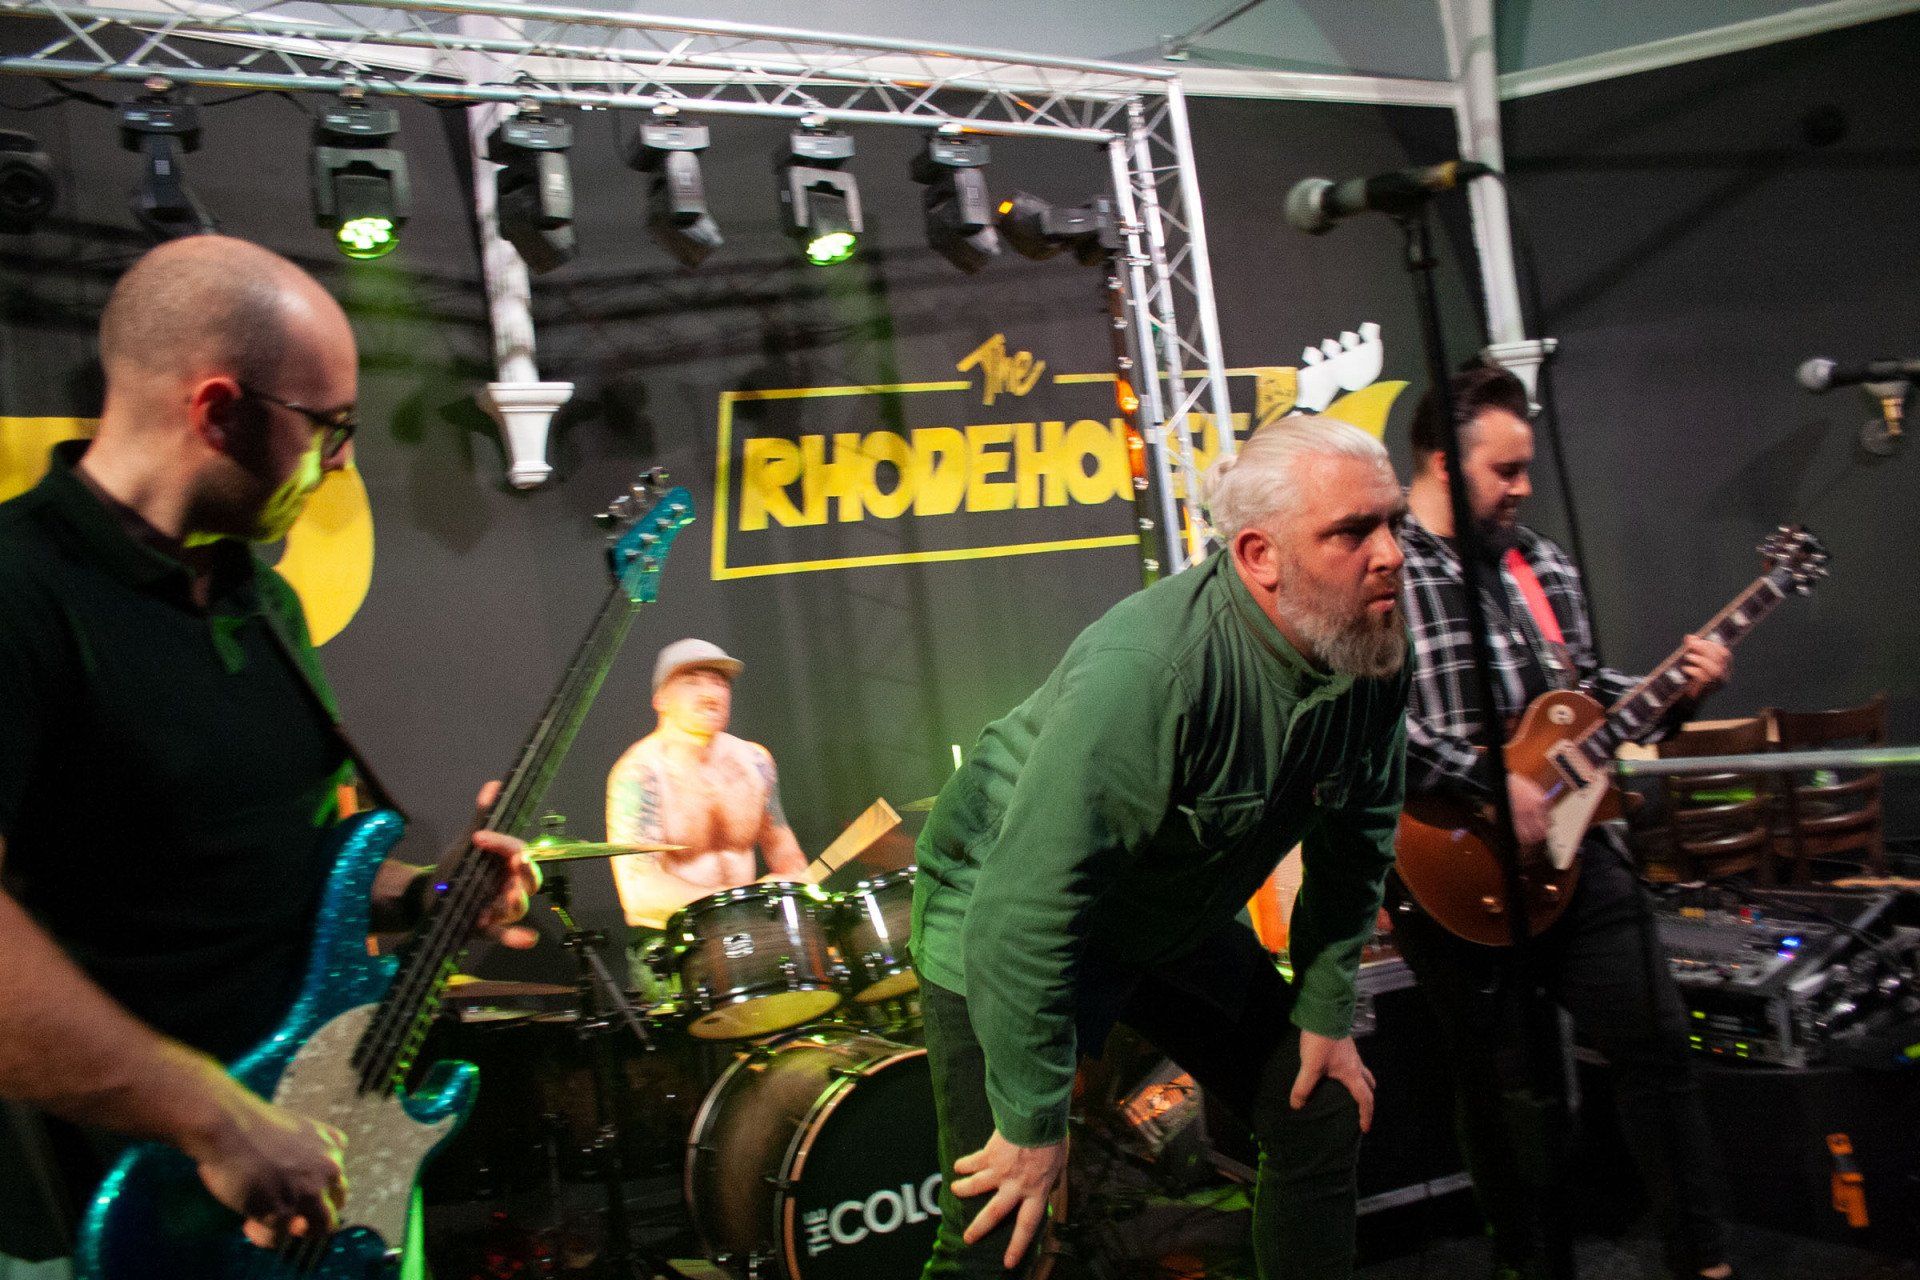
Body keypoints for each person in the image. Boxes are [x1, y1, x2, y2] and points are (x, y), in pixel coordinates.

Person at [0, 236, 538, 1263]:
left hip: (313, 1173)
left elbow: (263, 869)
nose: (341, 464)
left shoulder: (265, 601)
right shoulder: (21, 591)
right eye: (329, 427)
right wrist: (210, 1115)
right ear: (217, 410)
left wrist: (422, 898)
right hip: (110, 1212)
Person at [911, 415, 1411, 1279]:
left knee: (1317, 1109)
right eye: (1352, 532)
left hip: (1164, 913)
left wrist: (1326, 1011)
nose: (1392, 555)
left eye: (1393, 521)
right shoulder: (1151, 669)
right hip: (1000, 920)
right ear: (1259, 555)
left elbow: (1359, 839)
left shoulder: (1370, 645)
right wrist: (1032, 1125)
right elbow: (1024, 911)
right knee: (1004, 1229)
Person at [1391, 362, 1735, 1280]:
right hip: (1452, 869)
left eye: (1526, 469)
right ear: (1441, 460)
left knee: (1659, 1045)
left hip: (1578, 856)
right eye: (1504, 470)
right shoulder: (1382, 568)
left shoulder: (1539, 563)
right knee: (1505, 1093)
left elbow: (1578, 696)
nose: (1523, 489)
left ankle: (1703, 1260)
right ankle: (1528, 1263)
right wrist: (1483, 780)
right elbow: (1362, 721)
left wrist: (1675, 691)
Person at [606, 639, 809, 947]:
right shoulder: (639, 774)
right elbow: (639, 893)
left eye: (719, 683)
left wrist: (791, 877)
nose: (710, 694)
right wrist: (739, 904)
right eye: (692, 682)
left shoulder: (755, 761)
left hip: (750, 936)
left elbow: (785, 850)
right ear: (660, 699)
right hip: (676, 943)